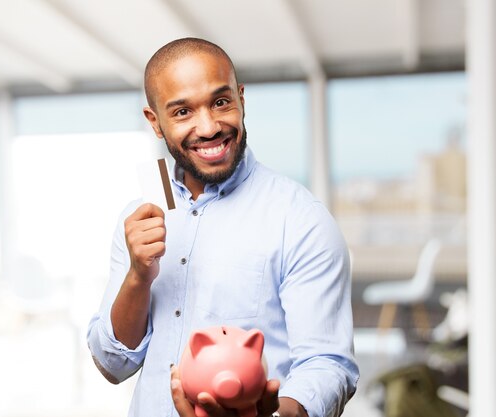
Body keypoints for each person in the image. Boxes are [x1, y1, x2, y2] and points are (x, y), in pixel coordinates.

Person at [87, 37, 359, 417]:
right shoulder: (142, 218)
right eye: (182, 112)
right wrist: (138, 277)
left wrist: (275, 413)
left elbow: (328, 365)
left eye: (220, 102)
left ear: (241, 99)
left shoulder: (300, 219)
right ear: (155, 123)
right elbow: (113, 365)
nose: (209, 126)